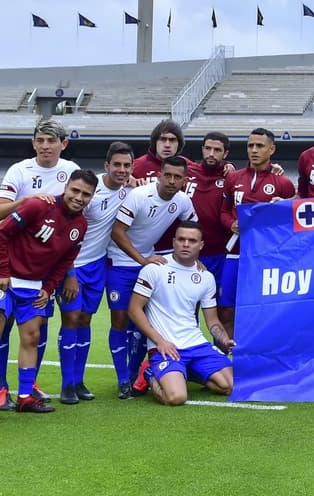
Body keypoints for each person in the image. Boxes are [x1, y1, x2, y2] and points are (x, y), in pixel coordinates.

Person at [0, 171, 97, 425]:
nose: (79, 197)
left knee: (31, 338)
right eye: (75, 190)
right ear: (66, 187)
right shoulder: (38, 205)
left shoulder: (80, 225)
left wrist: (49, 288)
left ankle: (25, 397)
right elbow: (0, 235)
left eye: (86, 194)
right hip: (3, 280)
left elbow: (65, 260)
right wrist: (3, 271)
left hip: (33, 287)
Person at [0, 119, 81, 408]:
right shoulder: (20, 170)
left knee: (37, 328)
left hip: (45, 269)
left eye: (51, 141)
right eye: (40, 140)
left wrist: (68, 273)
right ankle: (1, 387)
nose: (45, 146)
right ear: (33, 142)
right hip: (13, 264)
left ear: (63, 144)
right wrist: (26, 201)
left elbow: (73, 222)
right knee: (2, 327)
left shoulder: (71, 171)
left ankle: (29, 385)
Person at [105, 156, 198, 399]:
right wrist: (141, 259)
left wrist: (195, 260)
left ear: (184, 181)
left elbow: (192, 229)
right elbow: (117, 232)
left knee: (142, 324)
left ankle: (138, 374)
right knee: (120, 320)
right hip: (121, 263)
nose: (171, 180)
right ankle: (122, 379)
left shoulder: (182, 201)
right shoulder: (139, 196)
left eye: (178, 177)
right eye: (167, 175)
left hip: (147, 264)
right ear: (159, 175)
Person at [56, 142, 133, 404]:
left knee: (86, 320)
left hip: (98, 265)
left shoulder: (129, 192)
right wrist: (69, 272)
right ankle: (66, 384)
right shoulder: (89, 192)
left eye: (127, 166)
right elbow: (65, 232)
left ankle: (78, 381)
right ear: (107, 166)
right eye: (117, 165)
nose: (122, 170)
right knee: (71, 318)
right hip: (72, 266)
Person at [128, 221, 235, 405]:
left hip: (196, 345)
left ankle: (186, 371)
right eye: (182, 239)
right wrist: (159, 341)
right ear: (174, 241)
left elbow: (213, 321)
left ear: (201, 245)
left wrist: (224, 339)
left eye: (192, 241)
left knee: (230, 386)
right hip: (166, 345)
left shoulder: (206, 277)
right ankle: (149, 372)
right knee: (176, 398)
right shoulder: (155, 268)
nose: (186, 244)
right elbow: (134, 309)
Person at [218, 128, 296, 339]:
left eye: (260, 146)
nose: (254, 150)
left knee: (261, 308)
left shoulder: (283, 183)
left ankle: (258, 354)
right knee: (225, 307)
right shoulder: (233, 178)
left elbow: (290, 221)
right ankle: (227, 358)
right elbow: (224, 212)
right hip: (235, 252)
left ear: (272, 149)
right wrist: (231, 224)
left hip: (266, 256)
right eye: (250, 145)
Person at [188, 132, 232, 297]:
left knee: (223, 310)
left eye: (217, 150)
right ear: (202, 149)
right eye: (208, 148)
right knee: (187, 309)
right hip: (188, 254)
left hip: (220, 254)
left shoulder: (231, 178)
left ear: (225, 154)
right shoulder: (187, 171)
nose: (211, 154)